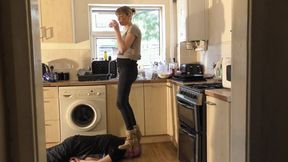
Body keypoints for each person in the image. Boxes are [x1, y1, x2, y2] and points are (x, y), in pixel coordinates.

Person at [109, 6, 142, 150]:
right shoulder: (127, 30)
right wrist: (118, 31)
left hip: (128, 68)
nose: (119, 19)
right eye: (118, 17)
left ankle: (131, 137)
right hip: (125, 68)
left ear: (129, 15)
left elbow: (122, 49)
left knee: (120, 102)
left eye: (121, 16)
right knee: (123, 102)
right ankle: (134, 133)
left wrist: (116, 30)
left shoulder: (133, 29)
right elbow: (122, 49)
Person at [46, 134, 141, 162]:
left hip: (75, 146)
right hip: (73, 146)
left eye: (133, 155)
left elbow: (92, 158)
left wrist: (80, 160)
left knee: (44, 154)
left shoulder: (117, 143)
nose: (130, 153)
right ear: (129, 143)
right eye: (132, 150)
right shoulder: (120, 149)